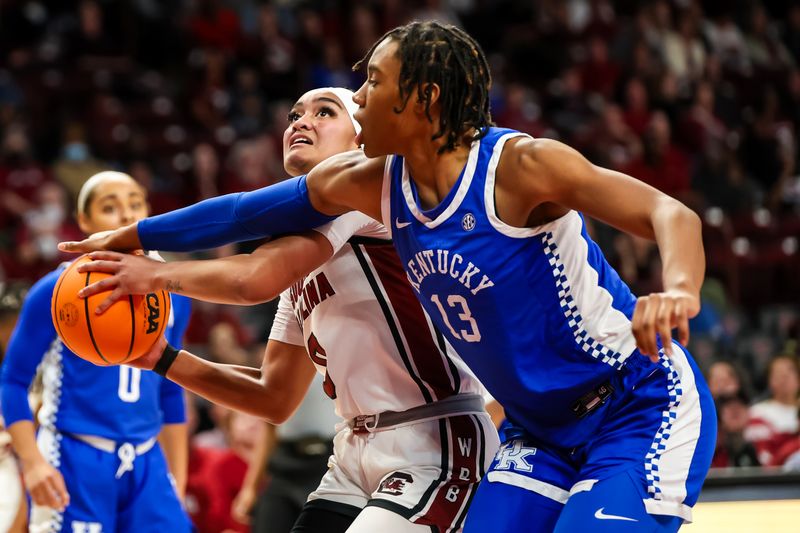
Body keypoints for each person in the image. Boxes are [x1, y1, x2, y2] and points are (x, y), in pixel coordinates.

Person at [61, 21, 716, 532]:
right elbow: (239, 211)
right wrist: (133, 235)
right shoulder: (369, 185)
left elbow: (669, 211)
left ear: (423, 98)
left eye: (372, 82)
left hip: (633, 400)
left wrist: (680, 289)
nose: (362, 93)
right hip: (535, 428)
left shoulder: (520, 168)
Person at [73, 88, 497, 533]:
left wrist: (155, 275)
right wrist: (163, 359)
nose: (300, 121)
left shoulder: (365, 190)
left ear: (359, 141)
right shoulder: (299, 266)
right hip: (354, 449)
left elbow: (251, 278)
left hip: (435, 439)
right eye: (294, 114)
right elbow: (271, 395)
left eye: (324, 112)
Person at [0, 171, 193, 532]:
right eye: (110, 206)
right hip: (74, 456)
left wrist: (177, 477)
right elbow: (12, 380)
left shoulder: (176, 291)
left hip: (147, 459)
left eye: (135, 203)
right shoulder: (54, 290)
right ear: (84, 221)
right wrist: (33, 463)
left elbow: (171, 389)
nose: (125, 214)